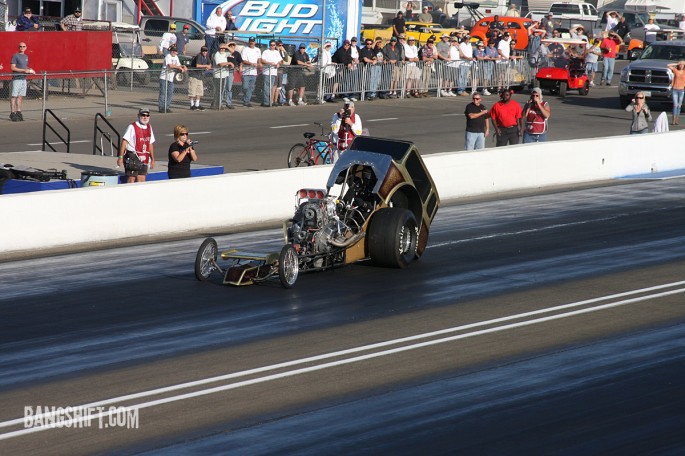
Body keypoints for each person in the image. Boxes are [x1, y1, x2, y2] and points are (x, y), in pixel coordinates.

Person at [117, 108, 155, 183]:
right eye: (143, 115)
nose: (145, 117)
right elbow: (124, 142)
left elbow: (150, 144)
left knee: (142, 179)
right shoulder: (132, 126)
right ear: (138, 116)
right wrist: (120, 157)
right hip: (132, 156)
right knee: (131, 179)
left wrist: (153, 159)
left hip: (144, 156)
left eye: (147, 115)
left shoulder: (149, 127)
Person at [10, 42, 35, 122]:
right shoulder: (15, 56)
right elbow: (13, 67)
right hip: (17, 78)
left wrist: (30, 69)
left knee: (20, 97)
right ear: (18, 47)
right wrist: (24, 70)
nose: (22, 48)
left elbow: (25, 66)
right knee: (14, 96)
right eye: (20, 46)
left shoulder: (26, 56)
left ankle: (19, 112)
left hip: (23, 79)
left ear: (26, 47)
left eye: (23, 46)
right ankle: (12, 113)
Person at [159, 45, 187, 113]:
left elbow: (178, 65)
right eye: (173, 51)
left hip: (171, 78)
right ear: (171, 51)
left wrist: (183, 66)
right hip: (164, 77)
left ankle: (167, 107)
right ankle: (161, 108)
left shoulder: (176, 57)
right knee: (163, 93)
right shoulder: (168, 56)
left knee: (170, 93)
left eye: (175, 51)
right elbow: (170, 65)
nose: (174, 52)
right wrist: (179, 68)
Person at [260, 39, 282, 107]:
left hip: (274, 72)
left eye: (274, 45)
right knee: (266, 88)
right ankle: (266, 102)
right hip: (267, 72)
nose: (272, 46)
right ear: (269, 45)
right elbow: (262, 60)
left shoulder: (276, 52)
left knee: (271, 88)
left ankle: (269, 101)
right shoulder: (266, 52)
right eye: (271, 45)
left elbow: (280, 60)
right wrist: (270, 63)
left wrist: (278, 63)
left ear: (275, 45)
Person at [189, 46, 211, 111]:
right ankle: (192, 104)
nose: (204, 52)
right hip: (194, 75)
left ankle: (197, 104)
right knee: (192, 91)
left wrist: (207, 66)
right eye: (203, 51)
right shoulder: (199, 56)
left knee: (199, 91)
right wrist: (206, 66)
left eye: (206, 51)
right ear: (201, 51)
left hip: (200, 76)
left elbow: (210, 65)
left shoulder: (206, 56)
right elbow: (197, 65)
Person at [212, 44, 234, 110]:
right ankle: (217, 104)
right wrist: (229, 63)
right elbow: (220, 64)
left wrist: (226, 46)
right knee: (218, 91)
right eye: (221, 48)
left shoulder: (225, 53)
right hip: (218, 75)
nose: (222, 49)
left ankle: (215, 104)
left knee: (221, 91)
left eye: (223, 48)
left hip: (224, 74)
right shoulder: (217, 54)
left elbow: (233, 51)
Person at [241, 37, 261, 107]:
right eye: (250, 41)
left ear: (255, 42)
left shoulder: (258, 50)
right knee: (245, 87)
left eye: (253, 41)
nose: (251, 43)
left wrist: (259, 63)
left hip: (254, 72)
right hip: (246, 72)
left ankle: (247, 101)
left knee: (251, 88)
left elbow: (259, 58)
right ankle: (245, 98)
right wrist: (251, 63)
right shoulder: (245, 49)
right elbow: (243, 60)